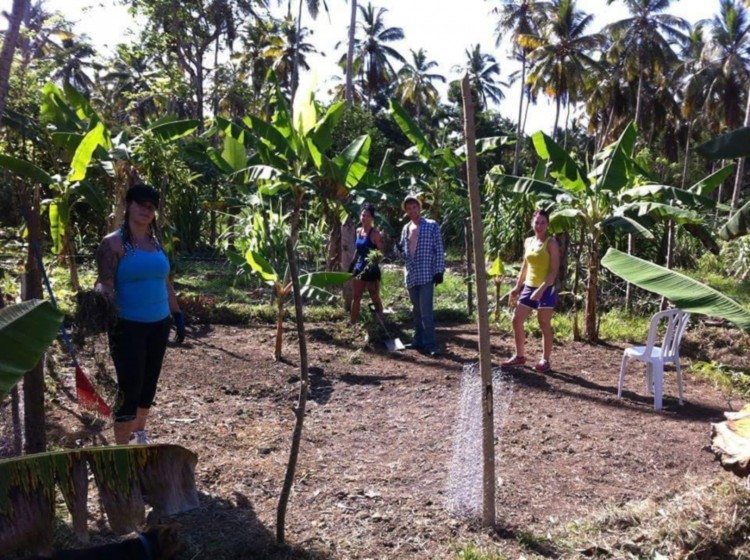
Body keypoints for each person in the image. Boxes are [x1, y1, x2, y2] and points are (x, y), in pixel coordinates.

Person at [94, 184, 185, 445]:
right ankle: (121, 449)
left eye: (151, 206)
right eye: (141, 204)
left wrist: (176, 314)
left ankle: (138, 435)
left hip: (159, 323)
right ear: (128, 205)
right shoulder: (113, 244)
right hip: (127, 325)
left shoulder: (156, 243)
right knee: (129, 387)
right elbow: (105, 283)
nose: (146, 210)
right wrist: (99, 305)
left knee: (148, 384)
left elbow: (165, 282)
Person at [503, 209, 560, 373]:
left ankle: (545, 360)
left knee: (543, 323)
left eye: (543, 222)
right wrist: (517, 286)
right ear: (532, 224)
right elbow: (525, 266)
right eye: (537, 222)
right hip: (529, 286)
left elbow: (554, 271)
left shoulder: (551, 243)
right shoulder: (528, 241)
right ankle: (520, 356)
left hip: (546, 287)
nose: (539, 225)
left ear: (548, 224)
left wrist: (541, 289)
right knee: (516, 319)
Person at [399, 195, 445, 357]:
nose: (412, 211)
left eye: (415, 207)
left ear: (420, 208)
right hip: (411, 274)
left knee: (426, 311)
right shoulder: (405, 229)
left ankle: (431, 344)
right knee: (416, 310)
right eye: (409, 208)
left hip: (426, 274)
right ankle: (418, 340)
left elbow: (439, 249)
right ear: (406, 211)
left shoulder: (431, 226)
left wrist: (439, 270)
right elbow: (404, 254)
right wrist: (397, 250)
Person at [349, 203, 385, 324]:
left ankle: (381, 321)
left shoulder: (375, 234)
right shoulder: (358, 231)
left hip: (371, 270)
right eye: (363, 215)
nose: (365, 218)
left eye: (368, 216)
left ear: (372, 218)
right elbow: (357, 250)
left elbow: (380, 253)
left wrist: (374, 261)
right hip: (359, 268)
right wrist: (352, 265)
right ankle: (352, 322)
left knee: (374, 296)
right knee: (356, 297)